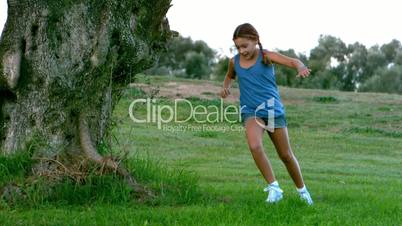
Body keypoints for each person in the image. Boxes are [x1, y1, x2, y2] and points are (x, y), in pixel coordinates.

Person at [220, 23, 313, 205]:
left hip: (272, 110)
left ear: (255, 40)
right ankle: (274, 188)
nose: (241, 50)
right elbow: (229, 76)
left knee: (285, 155)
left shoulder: (266, 56)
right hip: (251, 111)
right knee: (255, 146)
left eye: (244, 46)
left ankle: (303, 192)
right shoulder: (234, 61)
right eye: (238, 47)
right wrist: (225, 87)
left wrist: (300, 66)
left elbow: (292, 61)